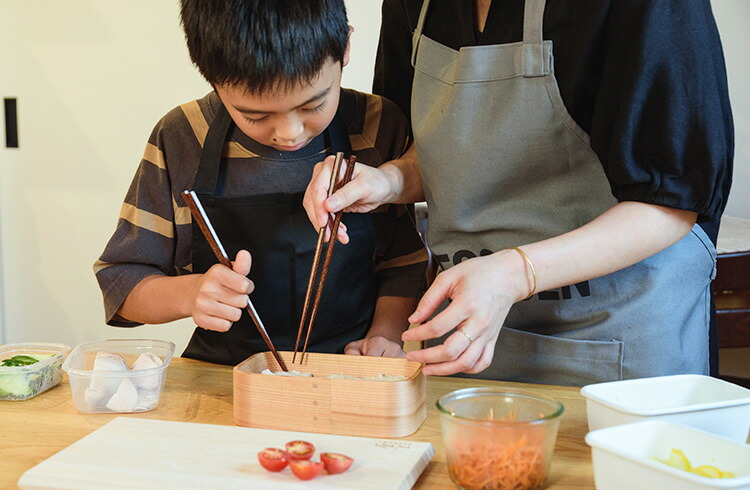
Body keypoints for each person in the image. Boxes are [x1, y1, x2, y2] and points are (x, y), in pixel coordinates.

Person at [303, 0, 734, 385]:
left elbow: (672, 202)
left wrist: (514, 273)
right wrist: (389, 179)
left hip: (620, 340)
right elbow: (436, 147)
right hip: (469, 344)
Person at [93, 0, 428, 366]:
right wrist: (189, 294)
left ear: (345, 47)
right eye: (256, 115)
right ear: (212, 79)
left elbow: (404, 264)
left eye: (313, 105)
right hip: (221, 379)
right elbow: (121, 281)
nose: (289, 133)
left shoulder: (379, 127)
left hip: (348, 373)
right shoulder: (183, 136)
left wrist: (384, 335)